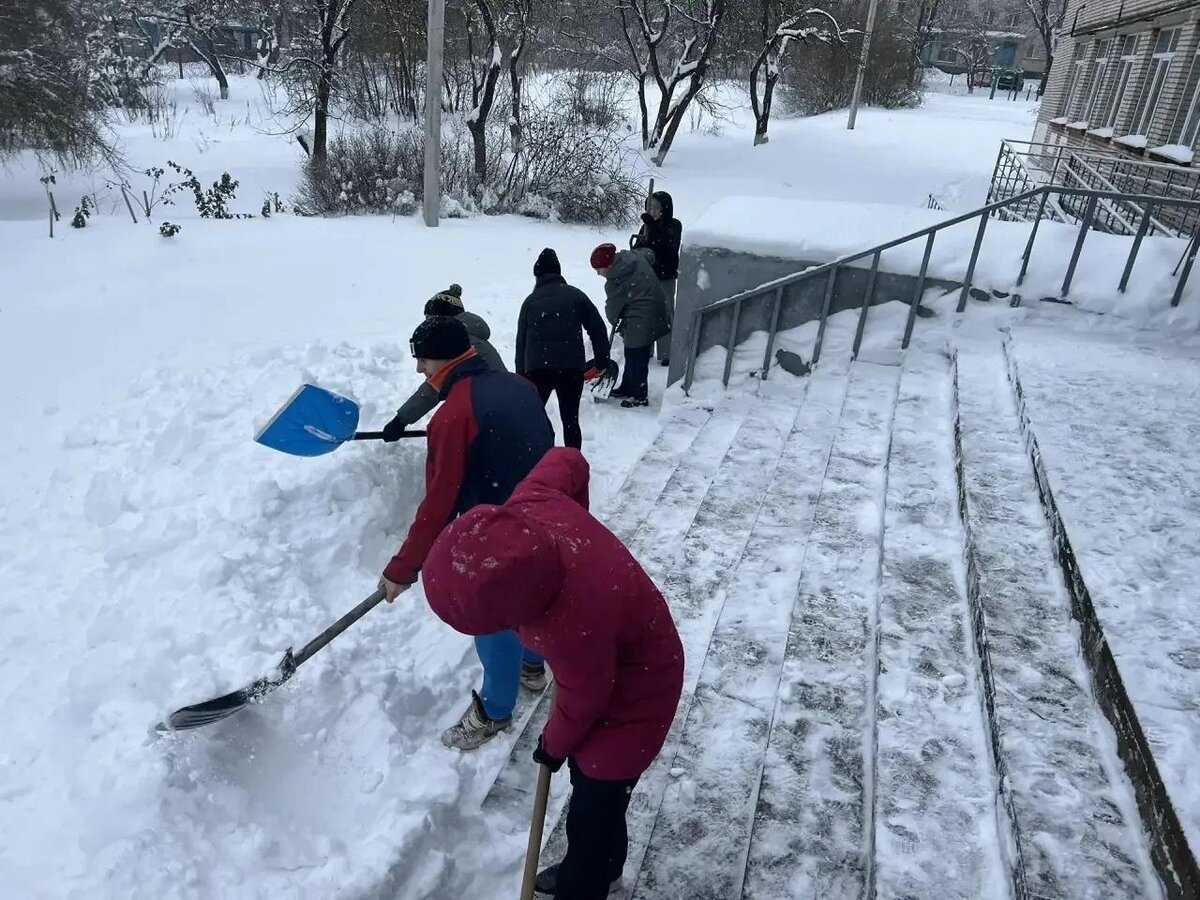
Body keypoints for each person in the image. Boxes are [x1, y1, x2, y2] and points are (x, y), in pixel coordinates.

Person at [422, 448, 684, 900]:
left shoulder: (569, 621)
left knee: (595, 796)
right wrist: (579, 516)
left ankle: (584, 884)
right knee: (600, 797)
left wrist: (553, 745)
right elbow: (567, 459)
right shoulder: (533, 505)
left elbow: (584, 696)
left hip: (642, 684)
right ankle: (606, 867)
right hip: (615, 649)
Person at [378, 315, 555, 750]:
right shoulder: (518, 385)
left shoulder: (454, 415)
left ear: (445, 359)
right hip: (547, 514)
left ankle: (494, 711)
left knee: (491, 613)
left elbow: (438, 503)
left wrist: (404, 567)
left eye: (422, 362)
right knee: (536, 596)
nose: (420, 371)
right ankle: (533, 664)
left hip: (497, 530)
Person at [381, 284, 506, 441]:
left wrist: (400, 421)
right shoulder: (472, 337)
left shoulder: (459, 343)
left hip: (492, 419)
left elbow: (433, 388)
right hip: (501, 409)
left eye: (430, 321)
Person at [515, 248, 611, 449]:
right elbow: (597, 328)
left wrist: (522, 377)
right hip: (570, 368)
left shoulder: (530, 302)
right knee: (571, 421)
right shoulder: (575, 296)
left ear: (537, 275)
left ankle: (540, 463)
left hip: (538, 370)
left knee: (536, 420)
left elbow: (521, 343)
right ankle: (572, 464)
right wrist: (602, 360)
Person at [590, 243, 669, 409]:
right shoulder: (633, 258)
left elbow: (612, 309)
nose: (598, 274)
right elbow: (649, 253)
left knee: (636, 353)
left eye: (599, 269)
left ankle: (639, 396)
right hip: (656, 307)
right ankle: (628, 387)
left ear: (609, 265)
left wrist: (614, 321)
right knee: (632, 351)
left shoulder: (615, 280)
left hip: (641, 315)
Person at [632, 191, 682, 367]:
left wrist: (651, 228)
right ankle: (647, 348)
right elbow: (639, 248)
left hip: (665, 277)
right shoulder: (646, 226)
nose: (652, 210)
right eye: (649, 207)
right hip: (647, 277)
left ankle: (667, 351)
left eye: (655, 207)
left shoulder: (674, 225)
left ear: (664, 209)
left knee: (666, 312)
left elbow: (666, 243)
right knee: (646, 313)